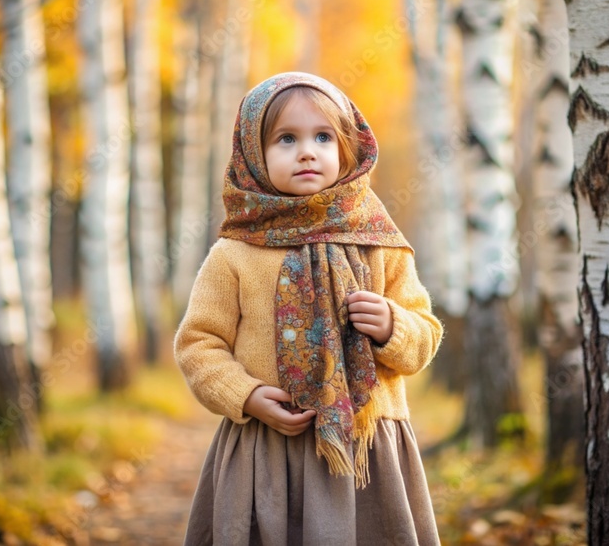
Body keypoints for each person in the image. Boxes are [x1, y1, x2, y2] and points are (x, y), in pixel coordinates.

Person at [174, 71, 443, 545]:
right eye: (286, 139)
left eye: (323, 136)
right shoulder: (236, 252)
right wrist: (245, 395)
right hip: (267, 453)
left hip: (366, 454)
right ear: (253, 156)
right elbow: (199, 343)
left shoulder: (377, 243)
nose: (307, 151)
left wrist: (392, 327)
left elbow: (423, 335)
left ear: (347, 148)